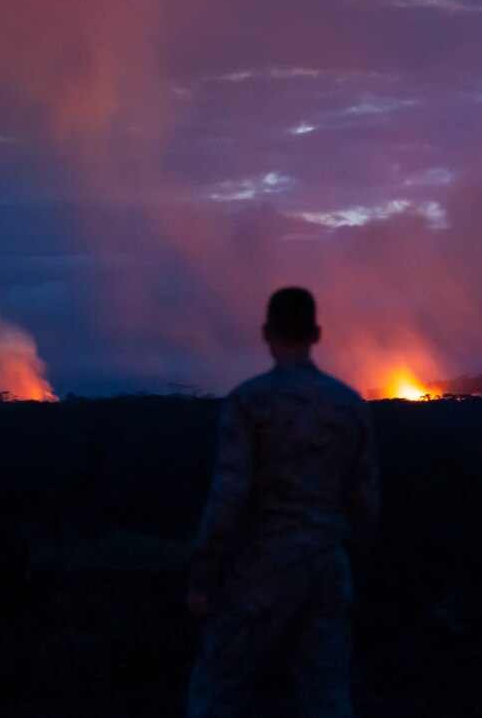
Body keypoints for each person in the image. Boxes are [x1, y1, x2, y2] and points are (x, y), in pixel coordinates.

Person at [186, 287, 379, 717]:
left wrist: (203, 578)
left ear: (266, 333)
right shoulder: (349, 406)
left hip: (261, 570)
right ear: (316, 333)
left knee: (218, 690)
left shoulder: (249, 403)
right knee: (325, 695)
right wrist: (351, 561)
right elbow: (366, 502)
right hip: (328, 569)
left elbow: (228, 498)